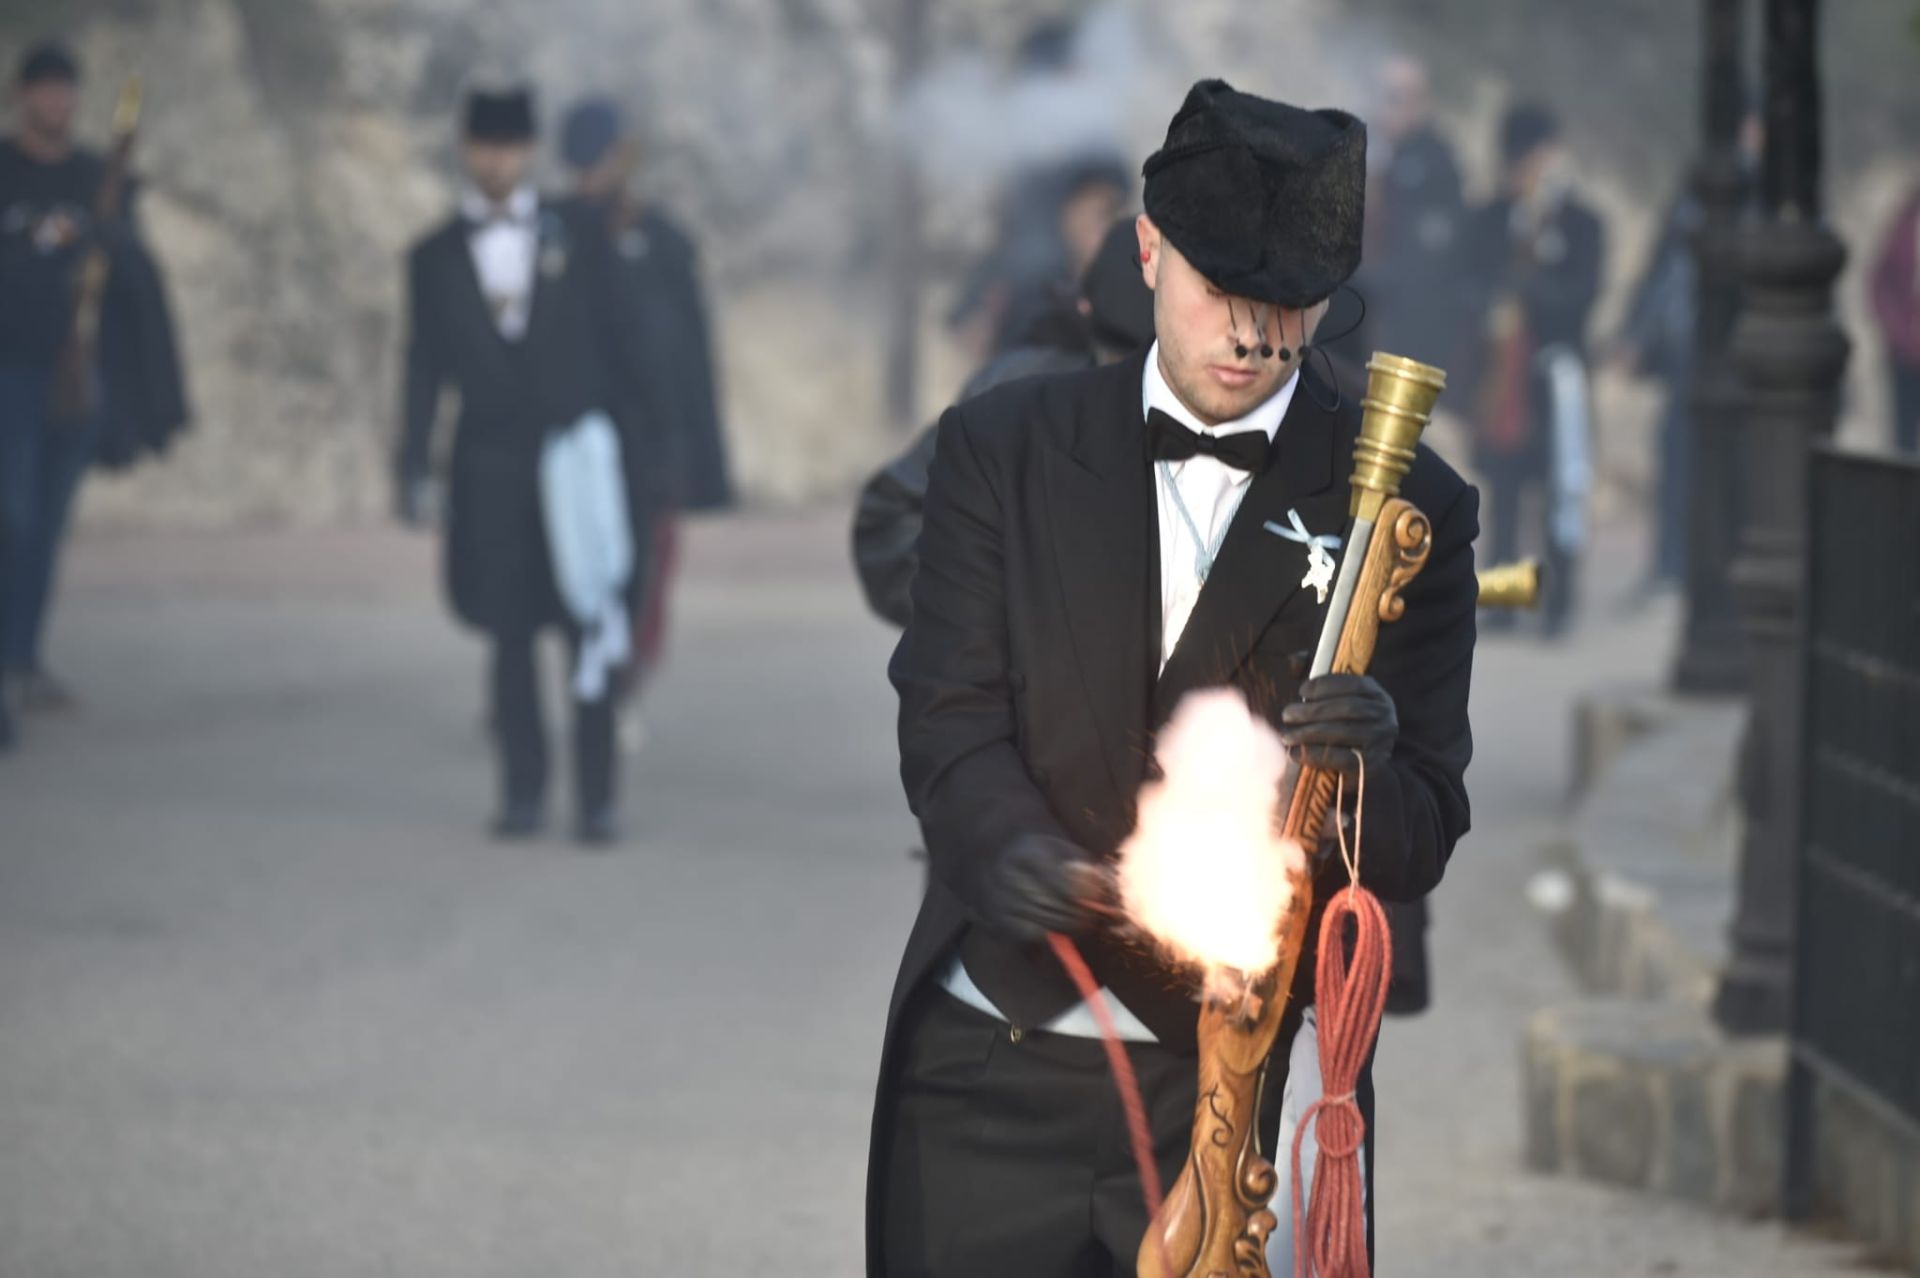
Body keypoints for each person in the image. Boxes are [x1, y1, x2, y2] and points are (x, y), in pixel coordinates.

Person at [870, 80, 1478, 1275]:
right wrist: (1010, 851)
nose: (1256, 337)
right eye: (1223, 295)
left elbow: (1422, 831)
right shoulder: (1003, 447)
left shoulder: (1411, 506)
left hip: (1219, 1089)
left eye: (1292, 307)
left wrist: (1363, 766)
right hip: (985, 1066)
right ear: (1148, 250)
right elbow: (946, 720)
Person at [396, 86, 638, 844]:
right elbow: (420, 370)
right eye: (482, 145)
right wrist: (412, 465)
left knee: (587, 629)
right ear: (466, 150)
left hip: (574, 462)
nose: (495, 159)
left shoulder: (583, 235)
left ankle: (597, 798)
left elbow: (624, 349)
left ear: (529, 150)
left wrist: (638, 462)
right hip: (486, 466)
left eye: (508, 145)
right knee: (507, 638)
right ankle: (522, 793)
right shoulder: (431, 256)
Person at [0, 41, 186, 717]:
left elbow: (134, 275)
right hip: (8, 370)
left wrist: (108, 237)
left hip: (72, 375)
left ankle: (21, 660)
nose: (55, 101)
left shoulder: (93, 178)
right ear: (22, 95)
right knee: (10, 519)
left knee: (45, 526)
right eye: (43, 88)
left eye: (65, 89)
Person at [853, 216, 1155, 628]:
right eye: (1118, 357)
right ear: (1083, 311)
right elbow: (892, 520)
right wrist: (989, 614)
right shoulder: (1016, 391)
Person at [556, 97, 728, 719]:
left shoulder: (661, 243)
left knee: (645, 571)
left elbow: (687, 362)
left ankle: (621, 674)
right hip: (578, 441)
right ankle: (596, 672)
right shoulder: (553, 233)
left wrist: (692, 452)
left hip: (649, 442)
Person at [1459, 103, 1602, 637]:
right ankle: (1505, 599)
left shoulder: (1582, 224)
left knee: (1558, 489)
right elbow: (1467, 283)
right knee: (1503, 492)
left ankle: (1558, 602)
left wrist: (1527, 290)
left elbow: (1582, 296)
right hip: (1501, 376)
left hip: (1554, 375)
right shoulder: (1489, 219)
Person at [1870, 178, 1920, 455]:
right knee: (1904, 444)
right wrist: (1899, 331)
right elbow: (1879, 282)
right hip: (1906, 355)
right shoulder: (1907, 223)